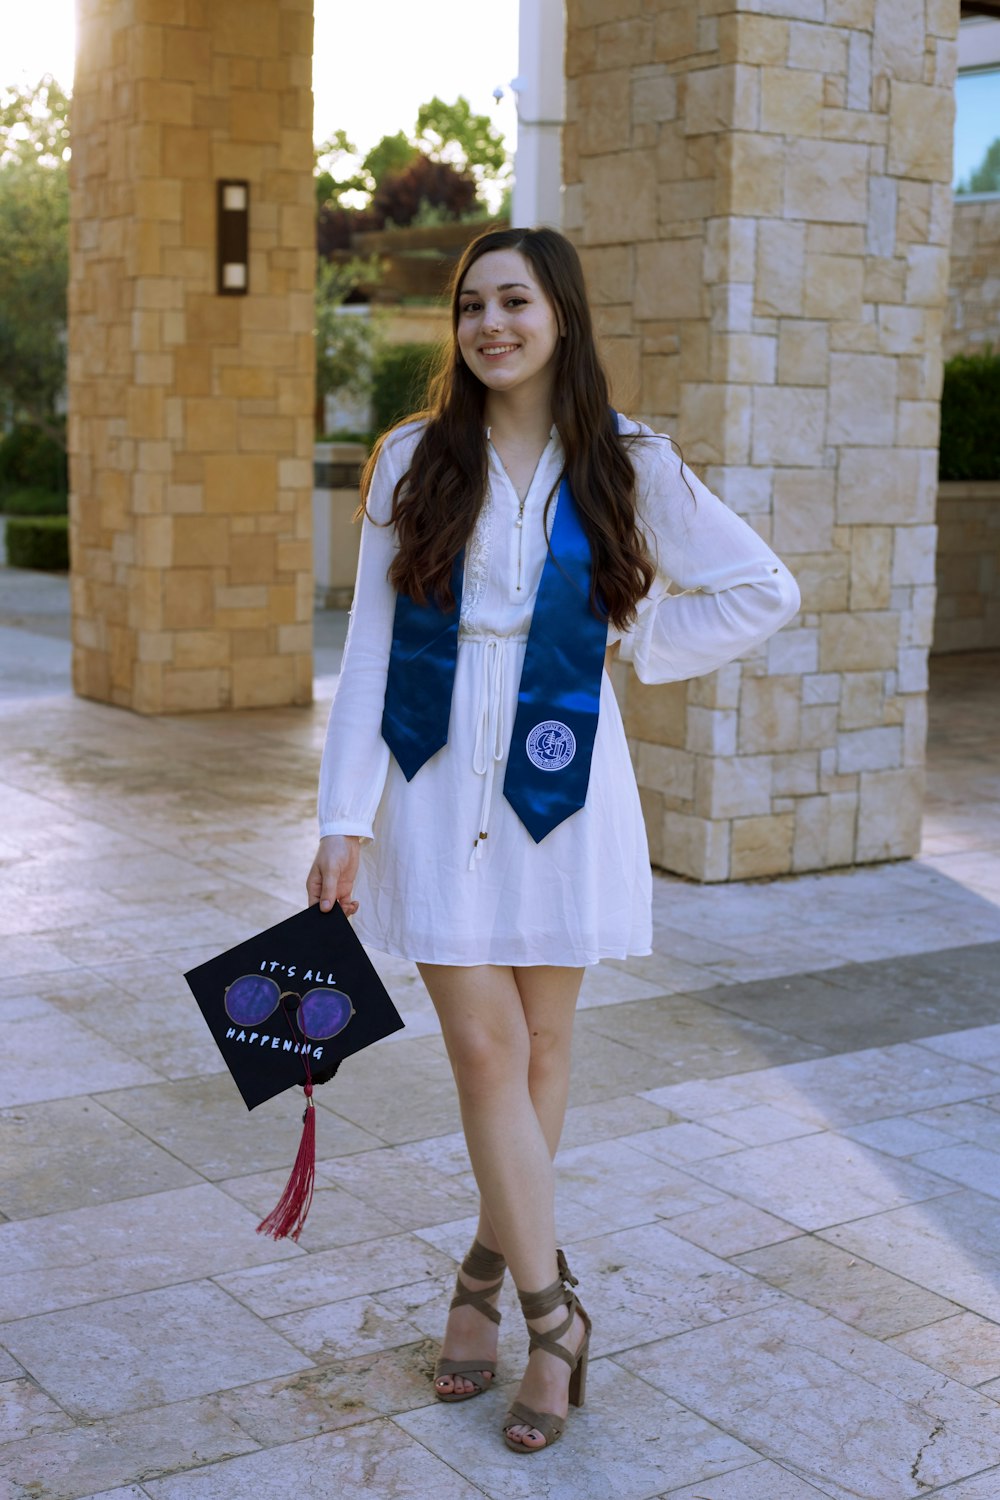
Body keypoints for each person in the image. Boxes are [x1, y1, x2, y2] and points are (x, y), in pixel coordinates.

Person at [307, 226, 800, 1454]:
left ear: (560, 316)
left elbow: (760, 589)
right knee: (483, 1050)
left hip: (562, 778)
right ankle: (552, 1314)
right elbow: (368, 644)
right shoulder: (414, 460)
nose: (490, 325)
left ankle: (479, 1275)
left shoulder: (626, 463)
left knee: (541, 1048)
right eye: (471, 305)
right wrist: (340, 816)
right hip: (430, 776)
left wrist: (632, 647)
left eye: (514, 301)